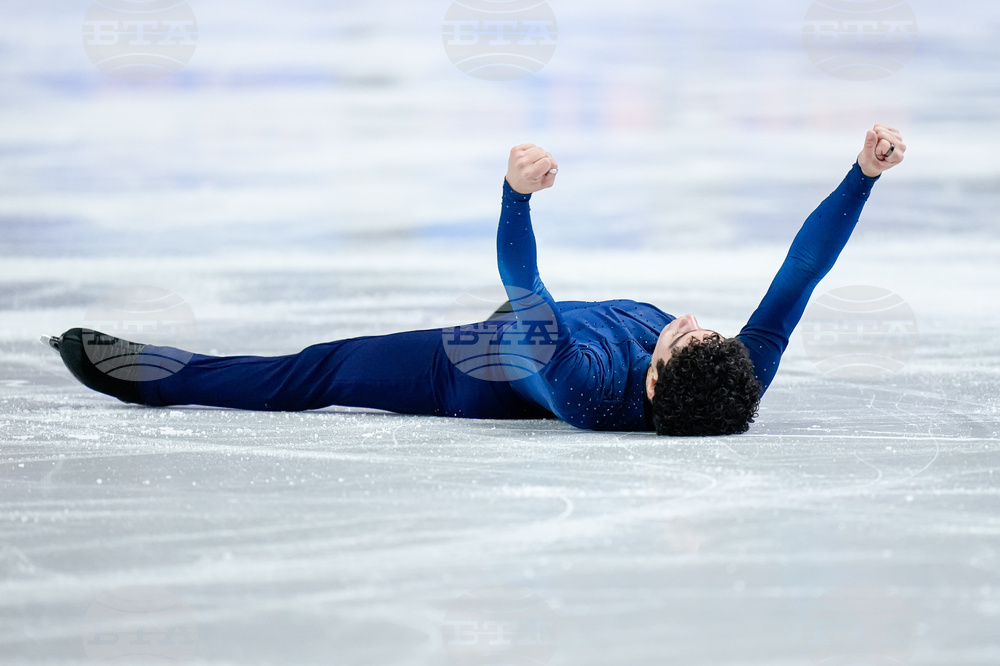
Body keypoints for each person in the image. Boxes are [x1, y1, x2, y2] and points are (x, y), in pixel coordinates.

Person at [48, 125, 905, 436]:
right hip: (544, 329)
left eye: (681, 338)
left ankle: (149, 377)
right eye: (706, 331)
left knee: (315, 372)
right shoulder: (730, 380)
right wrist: (862, 176)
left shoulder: (589, 388)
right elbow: (801, 275)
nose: (689, 319)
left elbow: (525, 289)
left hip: (484, 363)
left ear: (652, 376)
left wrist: (514, 198)